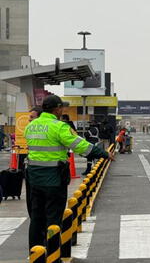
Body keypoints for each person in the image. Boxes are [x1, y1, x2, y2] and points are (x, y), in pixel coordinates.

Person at [24, 95, 113, 249]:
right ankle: (53, 252)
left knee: (36, 217)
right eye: (62, 107)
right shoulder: (59, 127)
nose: (62, 110)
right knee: (53, 217)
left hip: (34, 179)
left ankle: (35, 251)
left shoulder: (31, 126)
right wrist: (103, 154)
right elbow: (80, 145)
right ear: (57, 108)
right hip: (54, 179)